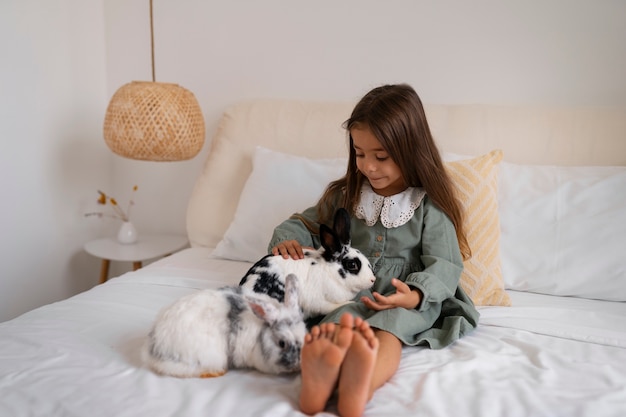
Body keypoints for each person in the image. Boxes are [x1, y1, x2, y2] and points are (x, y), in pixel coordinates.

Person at [268, 83, 480, 417]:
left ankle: (360, 388)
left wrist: (414, 295)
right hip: (354, 294)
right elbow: (305, 224)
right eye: (359, 153)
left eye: (381, 156)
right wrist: (287, 239)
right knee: (337, 324)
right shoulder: (346, 196)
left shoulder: (428, 208)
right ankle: (319, 381)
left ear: (411, 150)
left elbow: (445, 265)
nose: (368, 166)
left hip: (405, 299)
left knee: (388, 333)